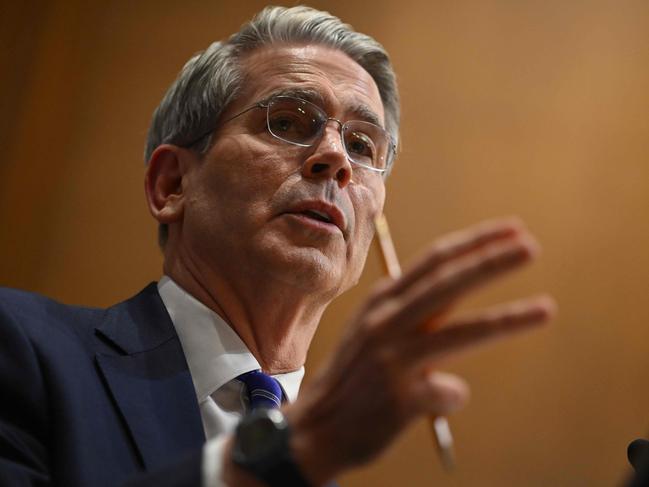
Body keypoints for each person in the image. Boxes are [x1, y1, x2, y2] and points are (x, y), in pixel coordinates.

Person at [0, 6, 555, 487]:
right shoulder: (22, 350)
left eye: (362, 144)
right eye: (288, 121)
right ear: (172, 184)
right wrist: (295, 454)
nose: (336, 156)